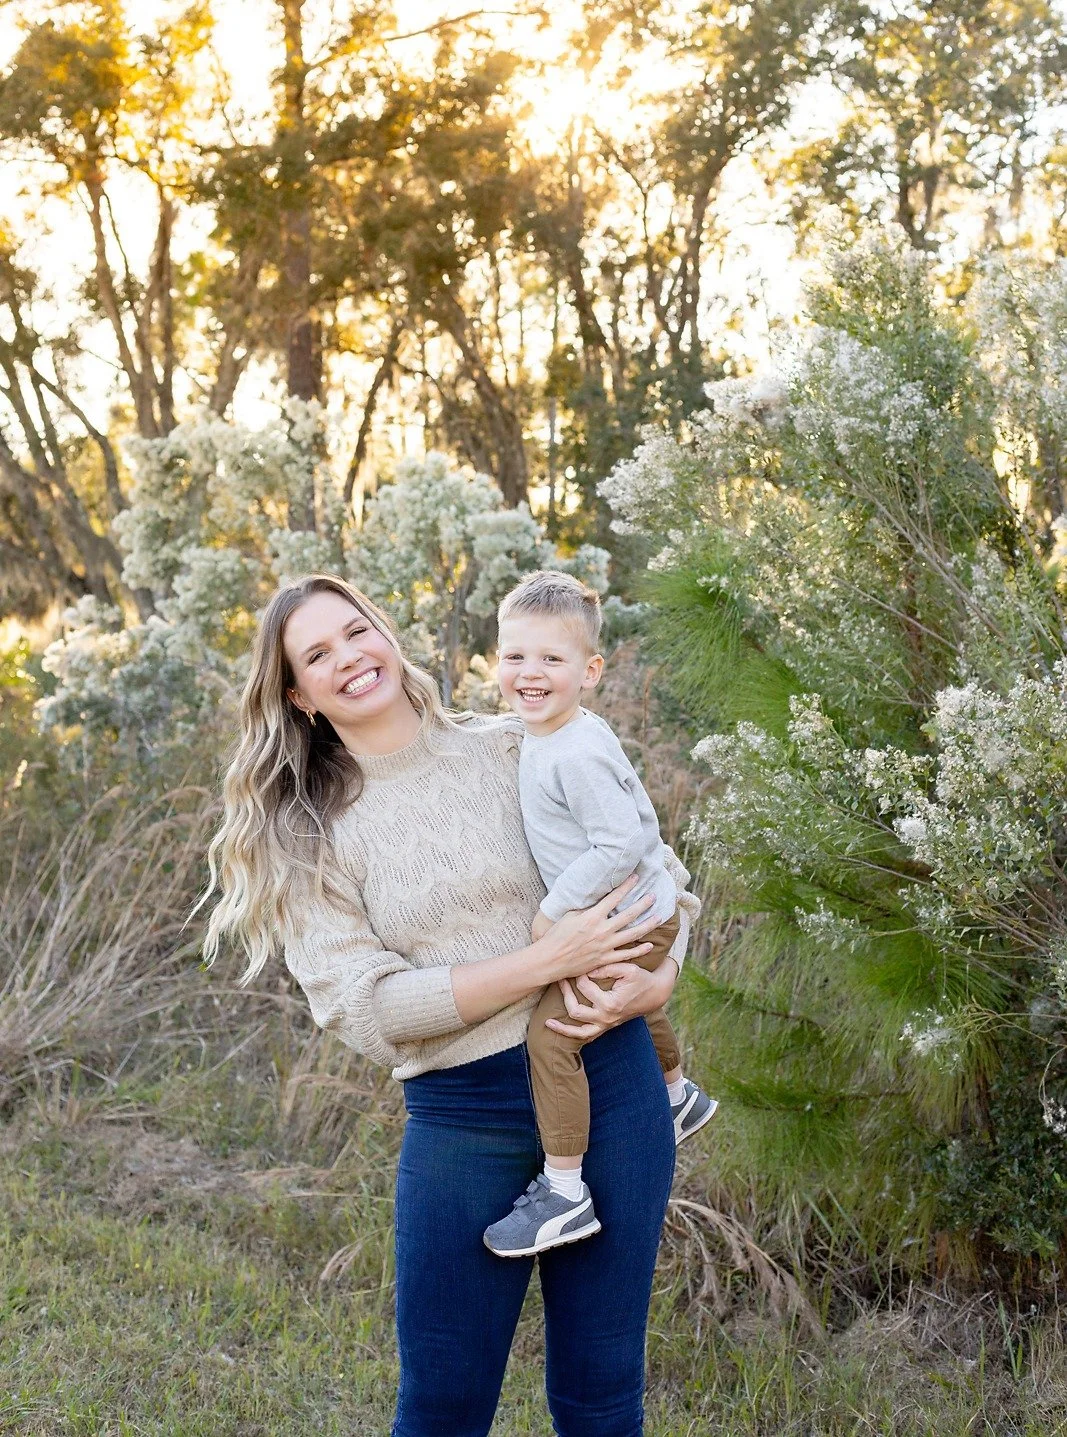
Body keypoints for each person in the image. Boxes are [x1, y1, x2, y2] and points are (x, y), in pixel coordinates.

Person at [196, 572, 700, 1437]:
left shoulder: (514, 745)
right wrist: (539, 961)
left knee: (601, 1393)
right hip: (462, 1117)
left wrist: (658, 982)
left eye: (356, 632)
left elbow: (659, 875)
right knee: (441, 1406)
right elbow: (367, 1006)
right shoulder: (309, 834)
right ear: (297, 695)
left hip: (610, 1085)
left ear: (385, 635)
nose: (349, 658)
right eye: (317, 654)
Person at [482, 571, 717, 1260]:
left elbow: (620, 842)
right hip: (641, 910)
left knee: (553, 1035)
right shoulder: (553, 733)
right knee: (631, 1003)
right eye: (514, 656)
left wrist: (550, 915)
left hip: (632, 917)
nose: (529, 673)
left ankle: (563, 1191)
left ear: (589, 671)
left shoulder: (575, 752)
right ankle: (677, 1094)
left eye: (551, 660)